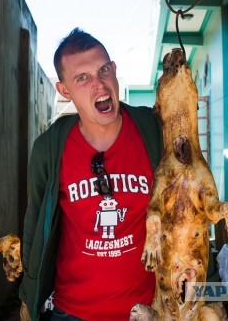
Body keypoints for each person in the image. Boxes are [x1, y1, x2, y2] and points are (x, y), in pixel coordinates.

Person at [18, 28, 163, 321]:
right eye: (82, 78)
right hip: (72, 312)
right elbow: (35, 224)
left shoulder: (153, 130)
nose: (99, 85)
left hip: (149, 310)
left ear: (114, 70)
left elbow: (189, 208)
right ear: (64, 90)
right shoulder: (49, 148)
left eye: (103, 70)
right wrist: (27, 296)